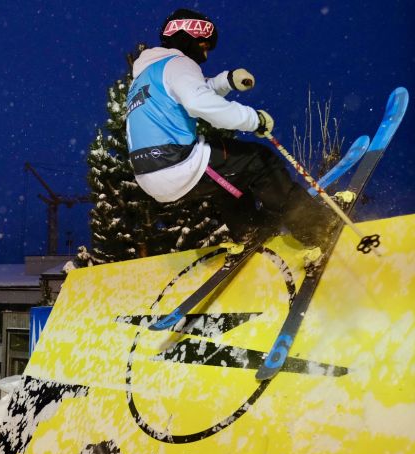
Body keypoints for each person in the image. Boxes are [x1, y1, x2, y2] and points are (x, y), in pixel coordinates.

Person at [125, 8, 336, 266]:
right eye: (204, 44)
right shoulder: (178, 63)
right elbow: (197, 101)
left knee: (230, 175)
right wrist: (253, 119)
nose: (205, 52)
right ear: (189, 35)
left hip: (148, 175)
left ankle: (248, 228)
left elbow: (195, 89)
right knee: (261, 161)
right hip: (177, 163)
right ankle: (318, 228)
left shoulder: (146, 75)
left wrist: (227, 81)